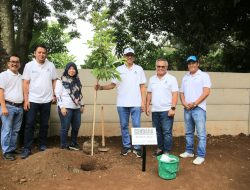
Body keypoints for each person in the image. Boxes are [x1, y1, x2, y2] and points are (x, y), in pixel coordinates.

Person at [95, 47, 146, 158]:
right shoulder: (118, 69)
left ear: (134, 56)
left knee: (136, 125)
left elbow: (142, 86)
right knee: (124, 125)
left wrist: (143, 102)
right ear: (123, 57)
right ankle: (126, 146)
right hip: (122, 103)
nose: (129, 57)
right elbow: (113, 85)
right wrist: (101, 87)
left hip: (136, 103)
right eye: (127, 55)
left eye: (131, 55)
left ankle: (137, 148)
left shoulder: (139, 69)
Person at [21, 44, 57, 159]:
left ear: (46, 54)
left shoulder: (50, 65)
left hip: (46, 100)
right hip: (33, 100)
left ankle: (42, 145)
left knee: (44, 124)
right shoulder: (29, 66)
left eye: (44, 53)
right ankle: (27, 148)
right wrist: (26, 100)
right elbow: (25, 83)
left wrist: (54, 95)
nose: (42, 55)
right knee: (29, 124)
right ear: (35, 53)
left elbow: (54, 81)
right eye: (39, 52)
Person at [179, 55, 211, 165]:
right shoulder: (185, 77)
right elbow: (181, 93)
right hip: (187, 108)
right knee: (188, 132)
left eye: (193, 63)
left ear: (198, 63)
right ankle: (189, 151)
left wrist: (195, 103)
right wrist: (183, 103)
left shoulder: (204, 76)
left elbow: (206, 92)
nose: (191, 65)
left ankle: (201, 155)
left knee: (201, 133)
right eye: (189, 63)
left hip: (199, 109)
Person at [146, 58, 178, 157]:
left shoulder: (172, 79)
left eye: (163, 66)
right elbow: (149, 93)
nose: (160, 68)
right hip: (155, 110)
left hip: (166, 111)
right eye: (158, 66)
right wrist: (147, 106)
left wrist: (173, 108)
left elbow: (175, 94)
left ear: (166, 67)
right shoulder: (152, 79)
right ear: (156, 67)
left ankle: (167, 151)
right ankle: (160, 149)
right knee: (157, 132)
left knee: (167, 132)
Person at [55, 62, 84, 150]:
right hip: (66, 107)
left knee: (76, 126)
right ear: (67, 70)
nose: (72, 70)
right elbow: (57, 94)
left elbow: (79, 94)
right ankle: (63, 145)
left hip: (76, 107)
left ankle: (73, 143)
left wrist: (82, 105)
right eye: (70, 68)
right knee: (65, 127)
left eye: (74, 68)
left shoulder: (77, 80)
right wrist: (61, 107)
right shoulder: (60, 80)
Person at [0, 54, 23, 161]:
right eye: (12, 61)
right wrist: (3, 107)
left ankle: (12, 148)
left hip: (19, 107)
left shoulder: (21, 77)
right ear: (8, 63)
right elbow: (1, 92)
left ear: (19, 64)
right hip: (8, 106)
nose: (14, 63)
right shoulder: (3, 75)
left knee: (15, 130)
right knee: (7, 130)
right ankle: (6, 151)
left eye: (17, 62)